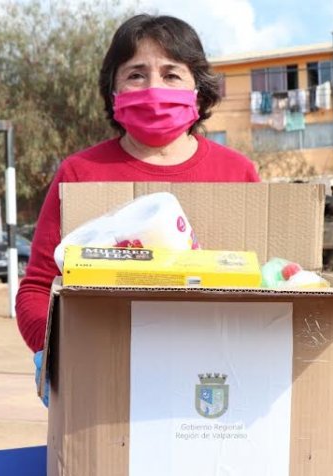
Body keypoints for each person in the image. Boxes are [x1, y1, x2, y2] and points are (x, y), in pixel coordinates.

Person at [15, 14, 260, 403]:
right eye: (136, 74)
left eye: (171, 74)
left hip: (213, 379)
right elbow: (38, 287)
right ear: (113, 90)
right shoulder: (80, 173)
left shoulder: (237, 173)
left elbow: (270, 283)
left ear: (199, 88)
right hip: (104, 380)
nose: (154, 88)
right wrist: (54, 345)